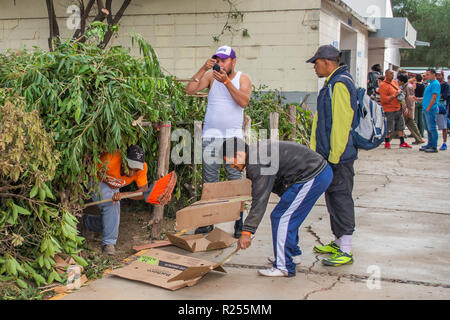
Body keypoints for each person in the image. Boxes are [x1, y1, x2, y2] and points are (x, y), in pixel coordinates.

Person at [222, 138, 333, 277]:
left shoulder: (257, 161)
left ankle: (284, 266)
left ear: (238, 153)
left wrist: (247, 232)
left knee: (281, 217)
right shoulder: (256, 155)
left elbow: (260, 199)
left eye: (230, 161)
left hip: (313, 176)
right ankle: (291, 254)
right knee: (286, 215)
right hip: (313, 174)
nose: (231, 166)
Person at [185, 45, 252, 237]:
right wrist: (202, 69)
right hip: (210, 137)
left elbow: (243, 102)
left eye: (224, 60)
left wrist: (227, 82)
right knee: (210, 182)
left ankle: (239, 223)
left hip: (233, 139)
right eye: (218, 60)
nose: (221, 64)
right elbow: (189, 90)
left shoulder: (242, 78)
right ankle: (208, 222)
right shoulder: (210, 77)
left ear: (233, 61)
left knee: (235, 181)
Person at [307, 45, 358, 267]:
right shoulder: (332, 83)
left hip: (339, 157)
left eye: (315, 63)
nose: (314, 67)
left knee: (341, 198)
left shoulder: (340, 84)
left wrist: (334, 157)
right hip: (328, 156)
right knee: (332, 199)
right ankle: (338, 241)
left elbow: (341, 123)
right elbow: (321, 121)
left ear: (327, 62)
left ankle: (345, 249)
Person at [82, 145, 149, 255]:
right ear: (123, 160)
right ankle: (108, 244)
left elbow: (143, 191)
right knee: (112, 204)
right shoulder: (110, 158)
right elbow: (90, 170)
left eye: (135, 170)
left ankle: (89, 222)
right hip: (98, 180)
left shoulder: (142, 168)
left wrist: (124, 194)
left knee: (112, 216)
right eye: (130, 167)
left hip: (114, 186)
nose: (132, 173)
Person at [378, 69, 412, 149]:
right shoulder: (383, 85)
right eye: (390, 73)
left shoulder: (394, 82)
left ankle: (402, 142)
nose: (392, 75)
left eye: (393, 73)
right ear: (386, 74)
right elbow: (384, 99)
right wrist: (394, 95)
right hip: (389, 109)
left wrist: (403, 103)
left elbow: (398, 91)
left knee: (401, 126)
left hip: (398, 108)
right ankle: (387, 143)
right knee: (389, 127)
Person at [397, 74, 424, 144]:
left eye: (399, 80)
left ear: (402, 81)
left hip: (408, 109)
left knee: (399, 124)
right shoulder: (406, 86)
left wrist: (408, 110)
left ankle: (388, 138)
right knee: (411, 124)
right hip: (408, 109)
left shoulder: (408, 87)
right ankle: (419, 139)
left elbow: (410, 100)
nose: (398, 81)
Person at [420, 69, 441, 153]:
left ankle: (434, 146)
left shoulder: (435, 84)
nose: (426, 76)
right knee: (428, 128)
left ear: (433, 74)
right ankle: (429, 144)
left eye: (428, 75)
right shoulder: (430, 84)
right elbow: (427, 96)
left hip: (430, 109)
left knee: (432, 128)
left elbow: (434, 96)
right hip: (426, 108)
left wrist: (429, 107)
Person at [436, 73, 449, 150]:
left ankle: (444, 143)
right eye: (437, 75)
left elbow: (445, 96)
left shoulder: (446, 85)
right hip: (434, 106)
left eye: (439, 75)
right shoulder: (435, 84)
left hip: (442, 107)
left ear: (442, 76)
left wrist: (437, 96)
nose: (438, 77)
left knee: (444, 126)